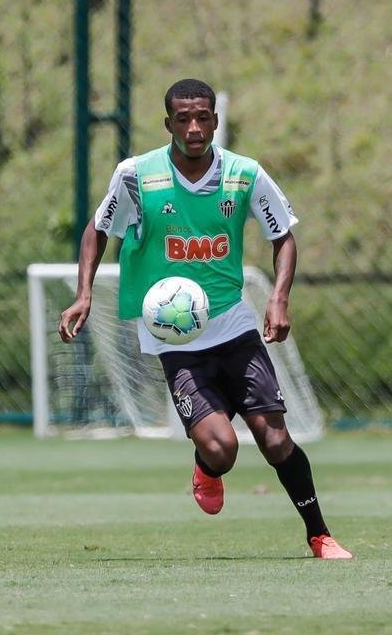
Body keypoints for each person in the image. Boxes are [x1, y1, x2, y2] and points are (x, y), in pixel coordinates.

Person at [59, 78, 352, 559]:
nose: (194, 128)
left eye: (202, 118)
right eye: (183, 119)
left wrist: (279, 299)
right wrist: (84, 293)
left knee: (275, 438)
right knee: (221, 449)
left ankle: (319, 535)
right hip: (174, 339)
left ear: (215, 120)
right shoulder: (136, 175)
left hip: (234, 324)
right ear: (168, 124)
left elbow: (283, 236)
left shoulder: (245, 174)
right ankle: (206, 468)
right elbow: (98, 229)